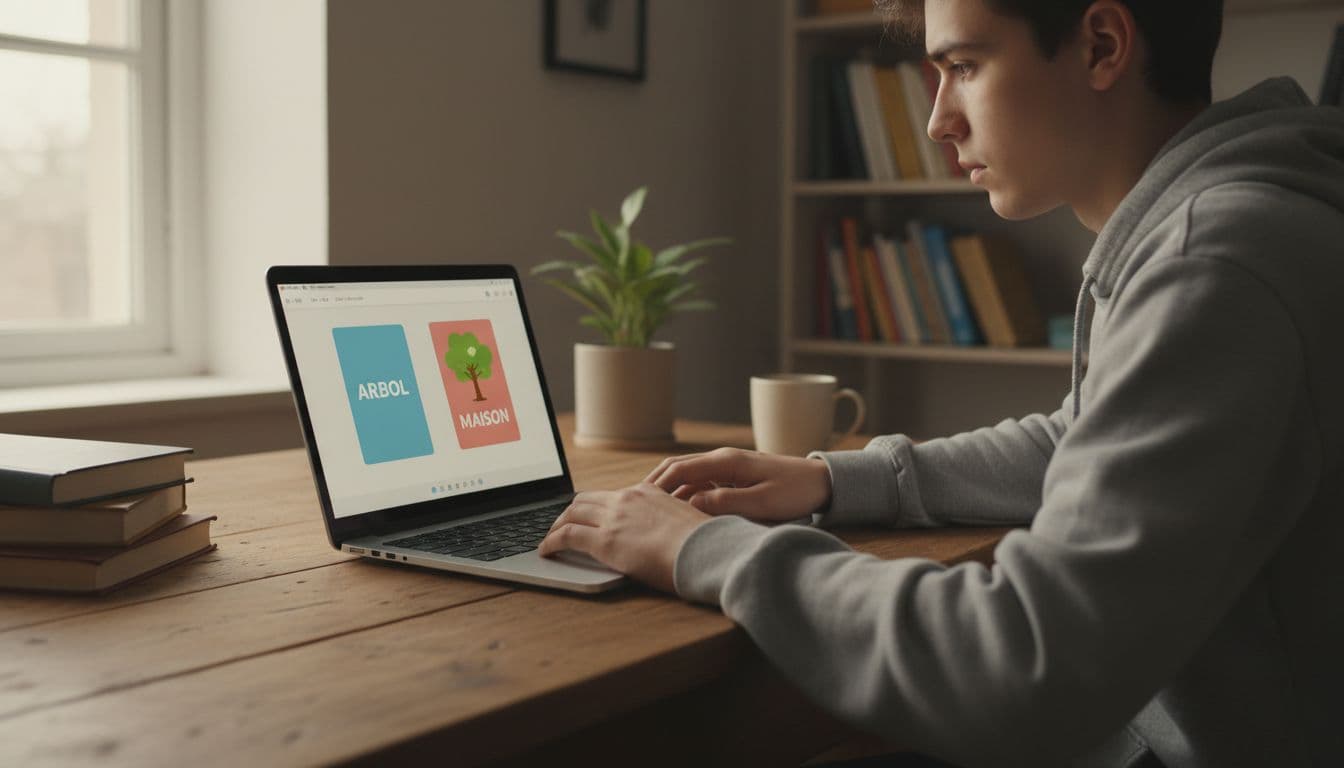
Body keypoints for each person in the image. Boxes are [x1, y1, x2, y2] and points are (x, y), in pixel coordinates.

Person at [538, 0, 1344, 765]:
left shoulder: (1214, 261)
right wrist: (829, 480)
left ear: (1102, 45)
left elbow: (1026, 664)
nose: (937, 120)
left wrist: (703, 548)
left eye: (964, 65)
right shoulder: (1227, 223)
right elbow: (1085, 436)